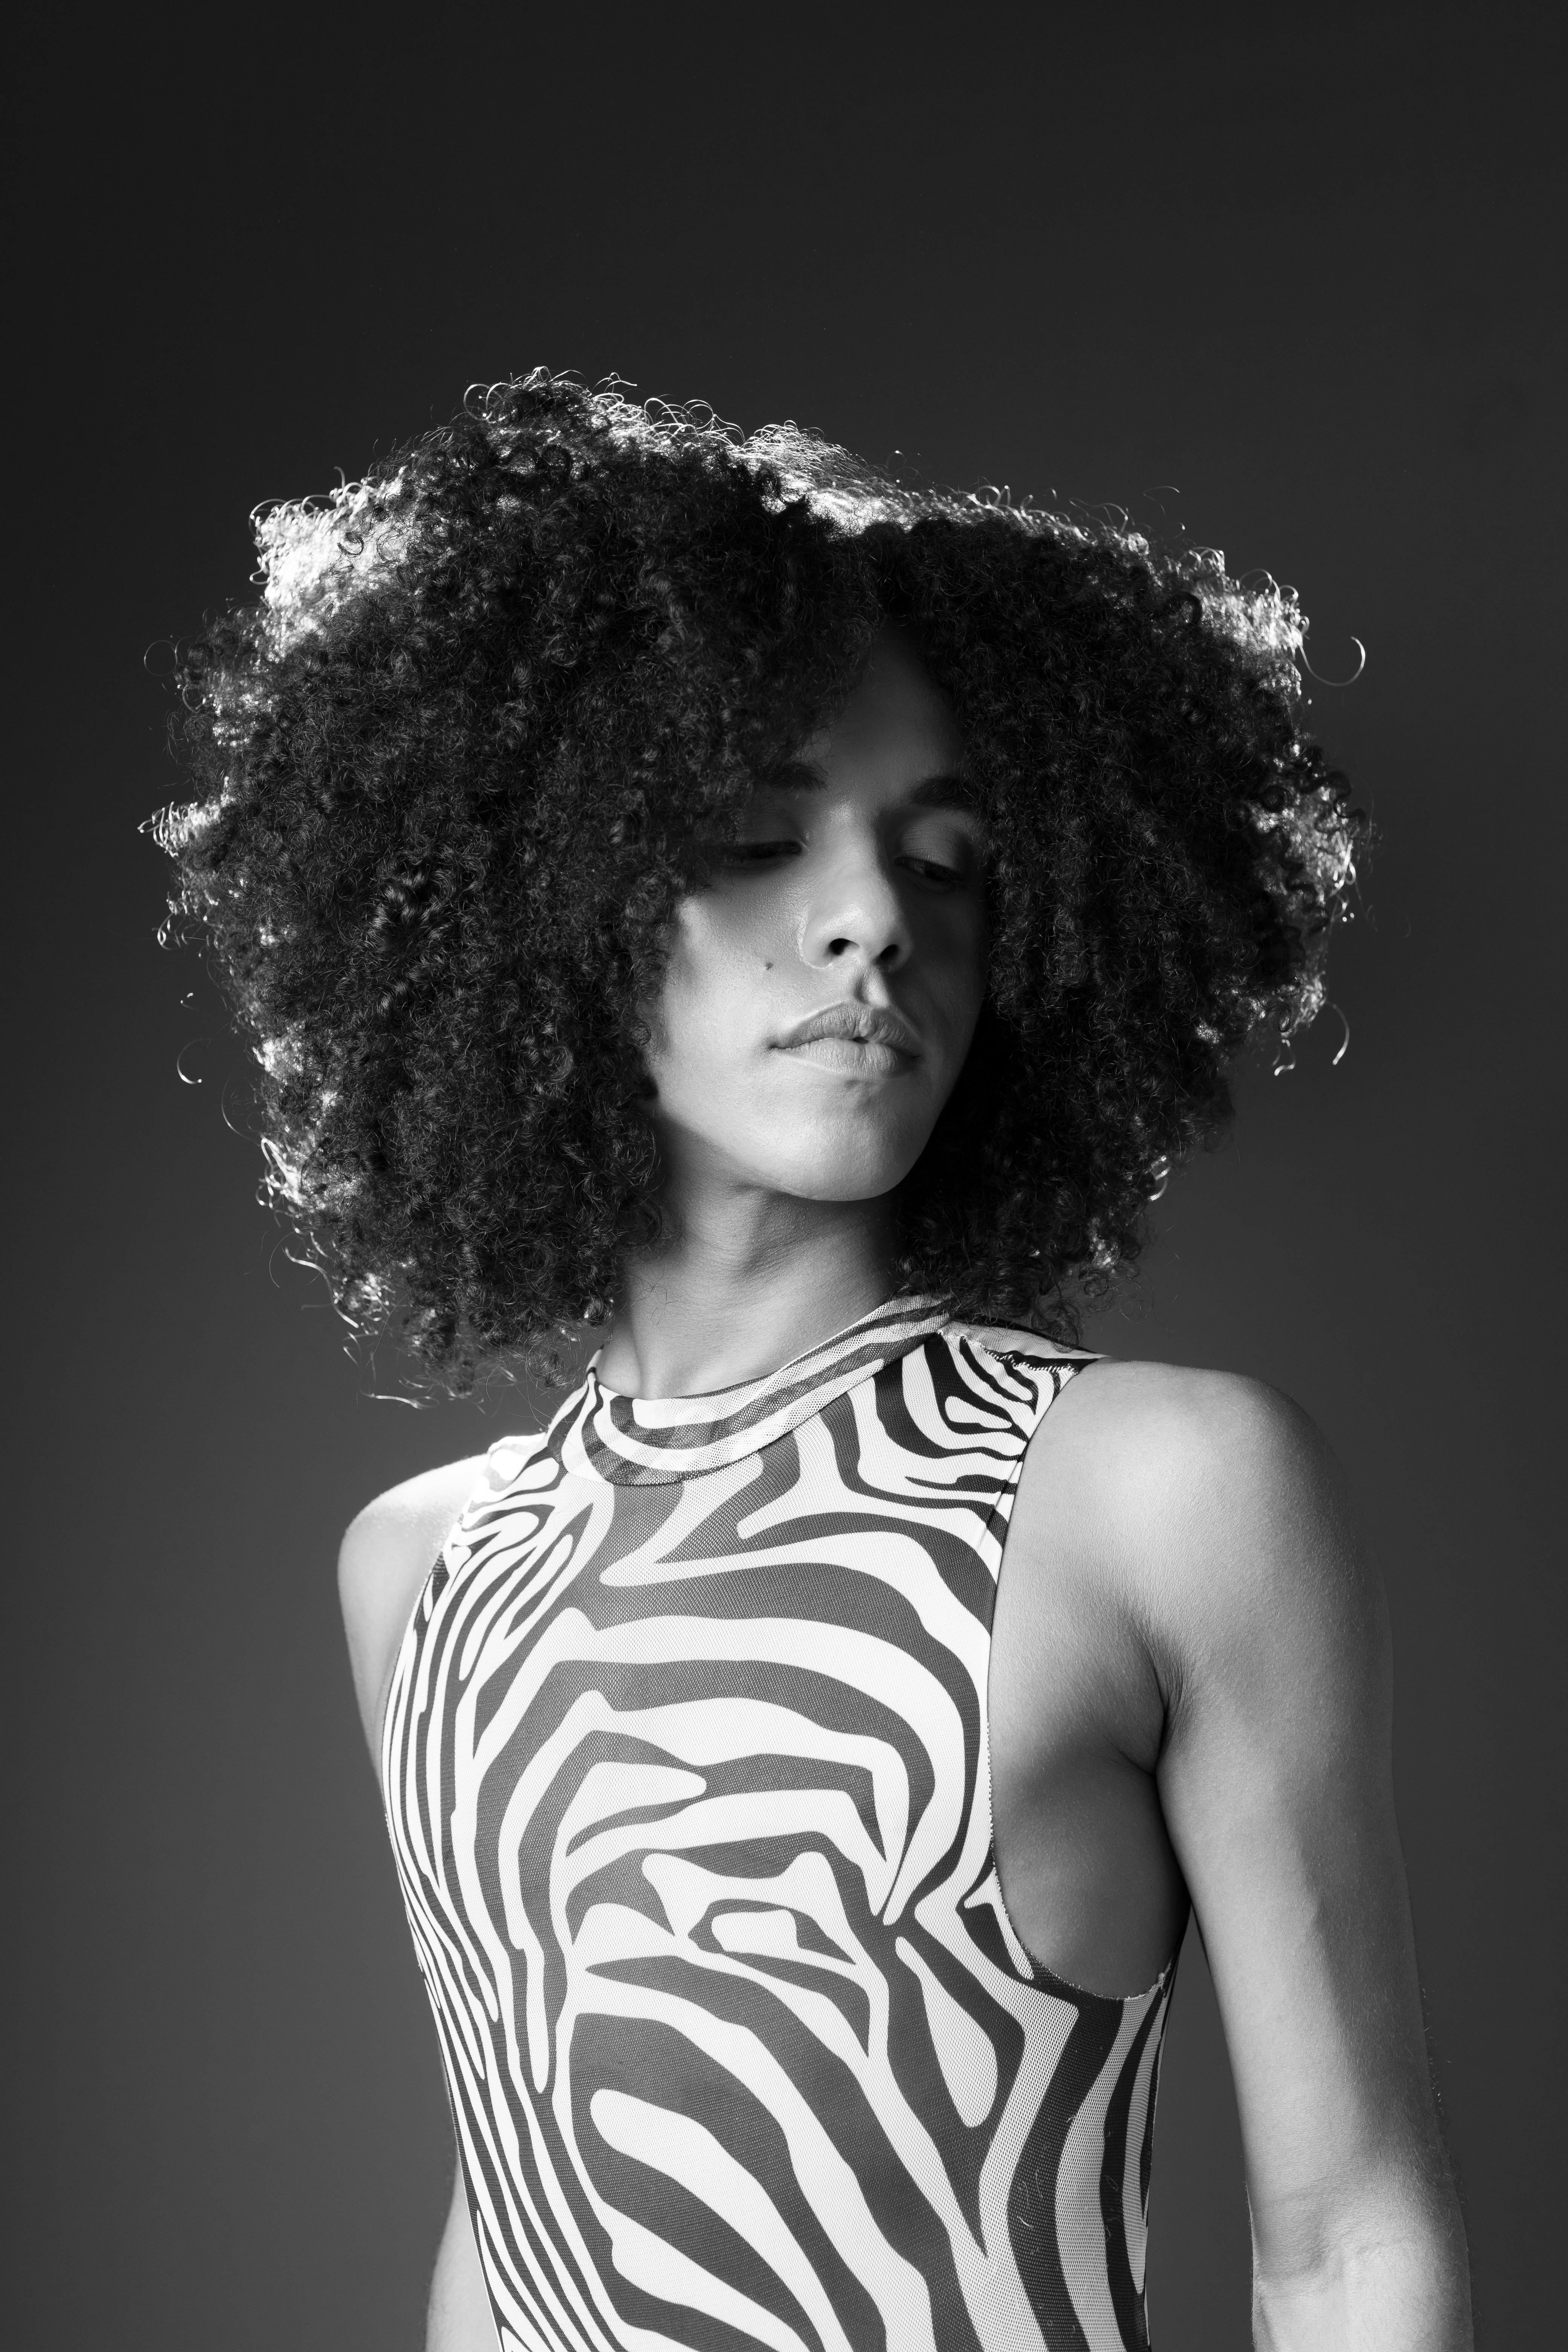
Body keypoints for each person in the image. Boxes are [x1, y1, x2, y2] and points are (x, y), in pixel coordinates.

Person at [154, 372, 1472, 2352]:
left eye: (941, 860)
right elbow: (513, 2212)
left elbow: (1348, 2232)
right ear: (551, 905)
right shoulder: (420, 1574)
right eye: (762, 836)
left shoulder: (1159, 1491)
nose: (870, 923)